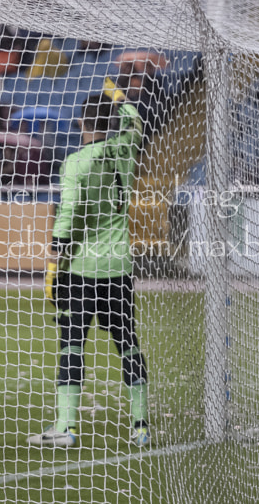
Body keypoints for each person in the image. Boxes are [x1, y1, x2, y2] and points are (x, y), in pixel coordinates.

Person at [28, 79, 150, 448]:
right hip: (119, 265)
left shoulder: (76, 163)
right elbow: (136, 121)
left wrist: (54, 257)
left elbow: (66, 215)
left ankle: (66, 427)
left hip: (83, 268)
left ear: (81, 123)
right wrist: (118, 95)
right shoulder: (126, 147)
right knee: (127, 343)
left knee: (72, 345)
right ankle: (141, 425)